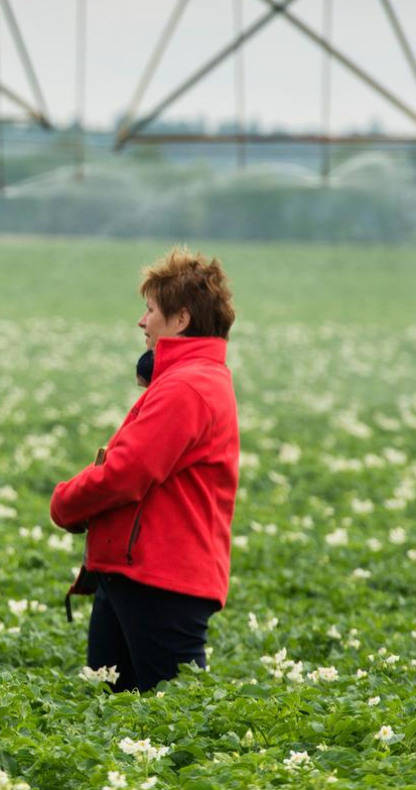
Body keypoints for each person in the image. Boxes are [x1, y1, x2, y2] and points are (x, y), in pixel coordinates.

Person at [49, 246, 239, 693]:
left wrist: (65, 502)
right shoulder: (186, 380)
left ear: (181, 320)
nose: (142, 321)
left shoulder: (188, 387)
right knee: (118, 713)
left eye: (151, 309)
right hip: (133, 574)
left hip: (161, 581)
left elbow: (127, 472)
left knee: (174, 722)